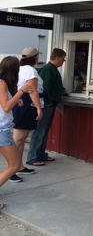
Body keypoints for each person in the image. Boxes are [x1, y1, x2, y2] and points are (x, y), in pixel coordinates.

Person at [0, 56, 33, 207]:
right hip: (2, 130)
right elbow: (6, 107)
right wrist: (21, 92)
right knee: (14, 165)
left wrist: (14, 97)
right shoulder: (2, 84)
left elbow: (5, 103)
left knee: (13, 164)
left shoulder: (3, 84)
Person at [27, 48, 69, 167]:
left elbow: (53, 85)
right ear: (57, 58)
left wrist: (62, 90)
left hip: (51, 105)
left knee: (44, 131)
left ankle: (41, 154)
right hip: (46, 105)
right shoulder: (47, 69)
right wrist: (48, 101)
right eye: (63, 58)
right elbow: (43, 87)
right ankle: (33, 157)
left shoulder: (53, 69)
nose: (64, 61)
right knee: (39, 131)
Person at [10, 48, 44, 183]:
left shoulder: (20, 69)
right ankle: (11, 170)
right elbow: (32, 90)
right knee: (18, 139)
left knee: (21, 138)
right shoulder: (30, 70)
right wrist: (38, 108)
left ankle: (19, 166)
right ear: (34, 57)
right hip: (27, 106)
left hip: (21, 104)